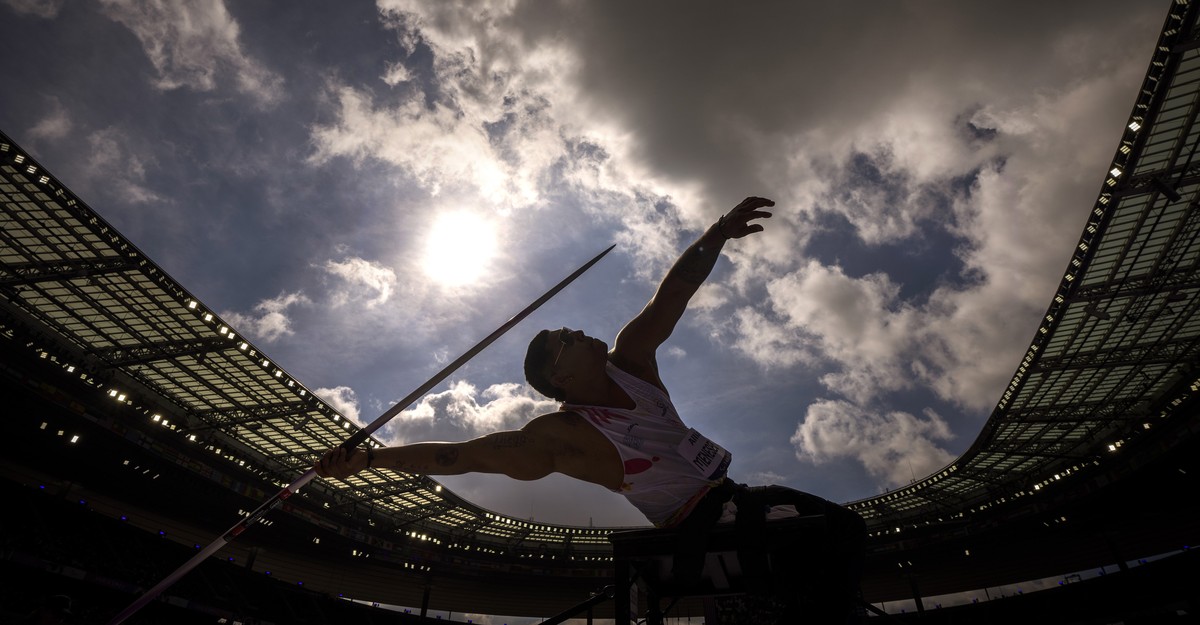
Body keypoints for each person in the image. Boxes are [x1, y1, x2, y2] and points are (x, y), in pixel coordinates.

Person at [316, 197, 865, 621]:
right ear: (560, 377)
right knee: (809, 552)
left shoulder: (632, 361)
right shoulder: (562, 434)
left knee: (847, 527)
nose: (577, 329)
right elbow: (460, 456)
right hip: (695, 522)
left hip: (734, 495)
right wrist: (368, 461)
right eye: (565, 338)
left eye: (568, 328)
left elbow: (672, 294)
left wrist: (716, 234)